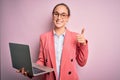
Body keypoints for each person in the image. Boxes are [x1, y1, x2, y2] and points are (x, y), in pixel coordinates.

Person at [18, 3, 88, 80]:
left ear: (68, 18)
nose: (59, 17)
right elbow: (41, 61)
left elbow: (82, 63)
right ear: (52, 16)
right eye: (56, 14)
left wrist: (83, 44)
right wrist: (30, 71)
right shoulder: (44, 37)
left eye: (63, 15)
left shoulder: (75, 37)